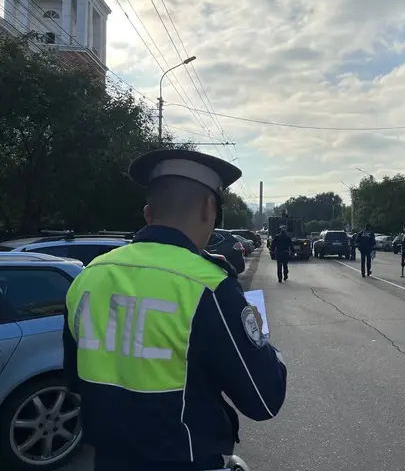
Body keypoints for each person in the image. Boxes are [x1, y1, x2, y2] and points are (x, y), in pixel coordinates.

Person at [62, 149, 287, 471]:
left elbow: (74, 378)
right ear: (210, 209)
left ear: (147, 212)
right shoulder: (209, 285)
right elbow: (264, 399)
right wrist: (264, 340)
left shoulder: (88, 276)